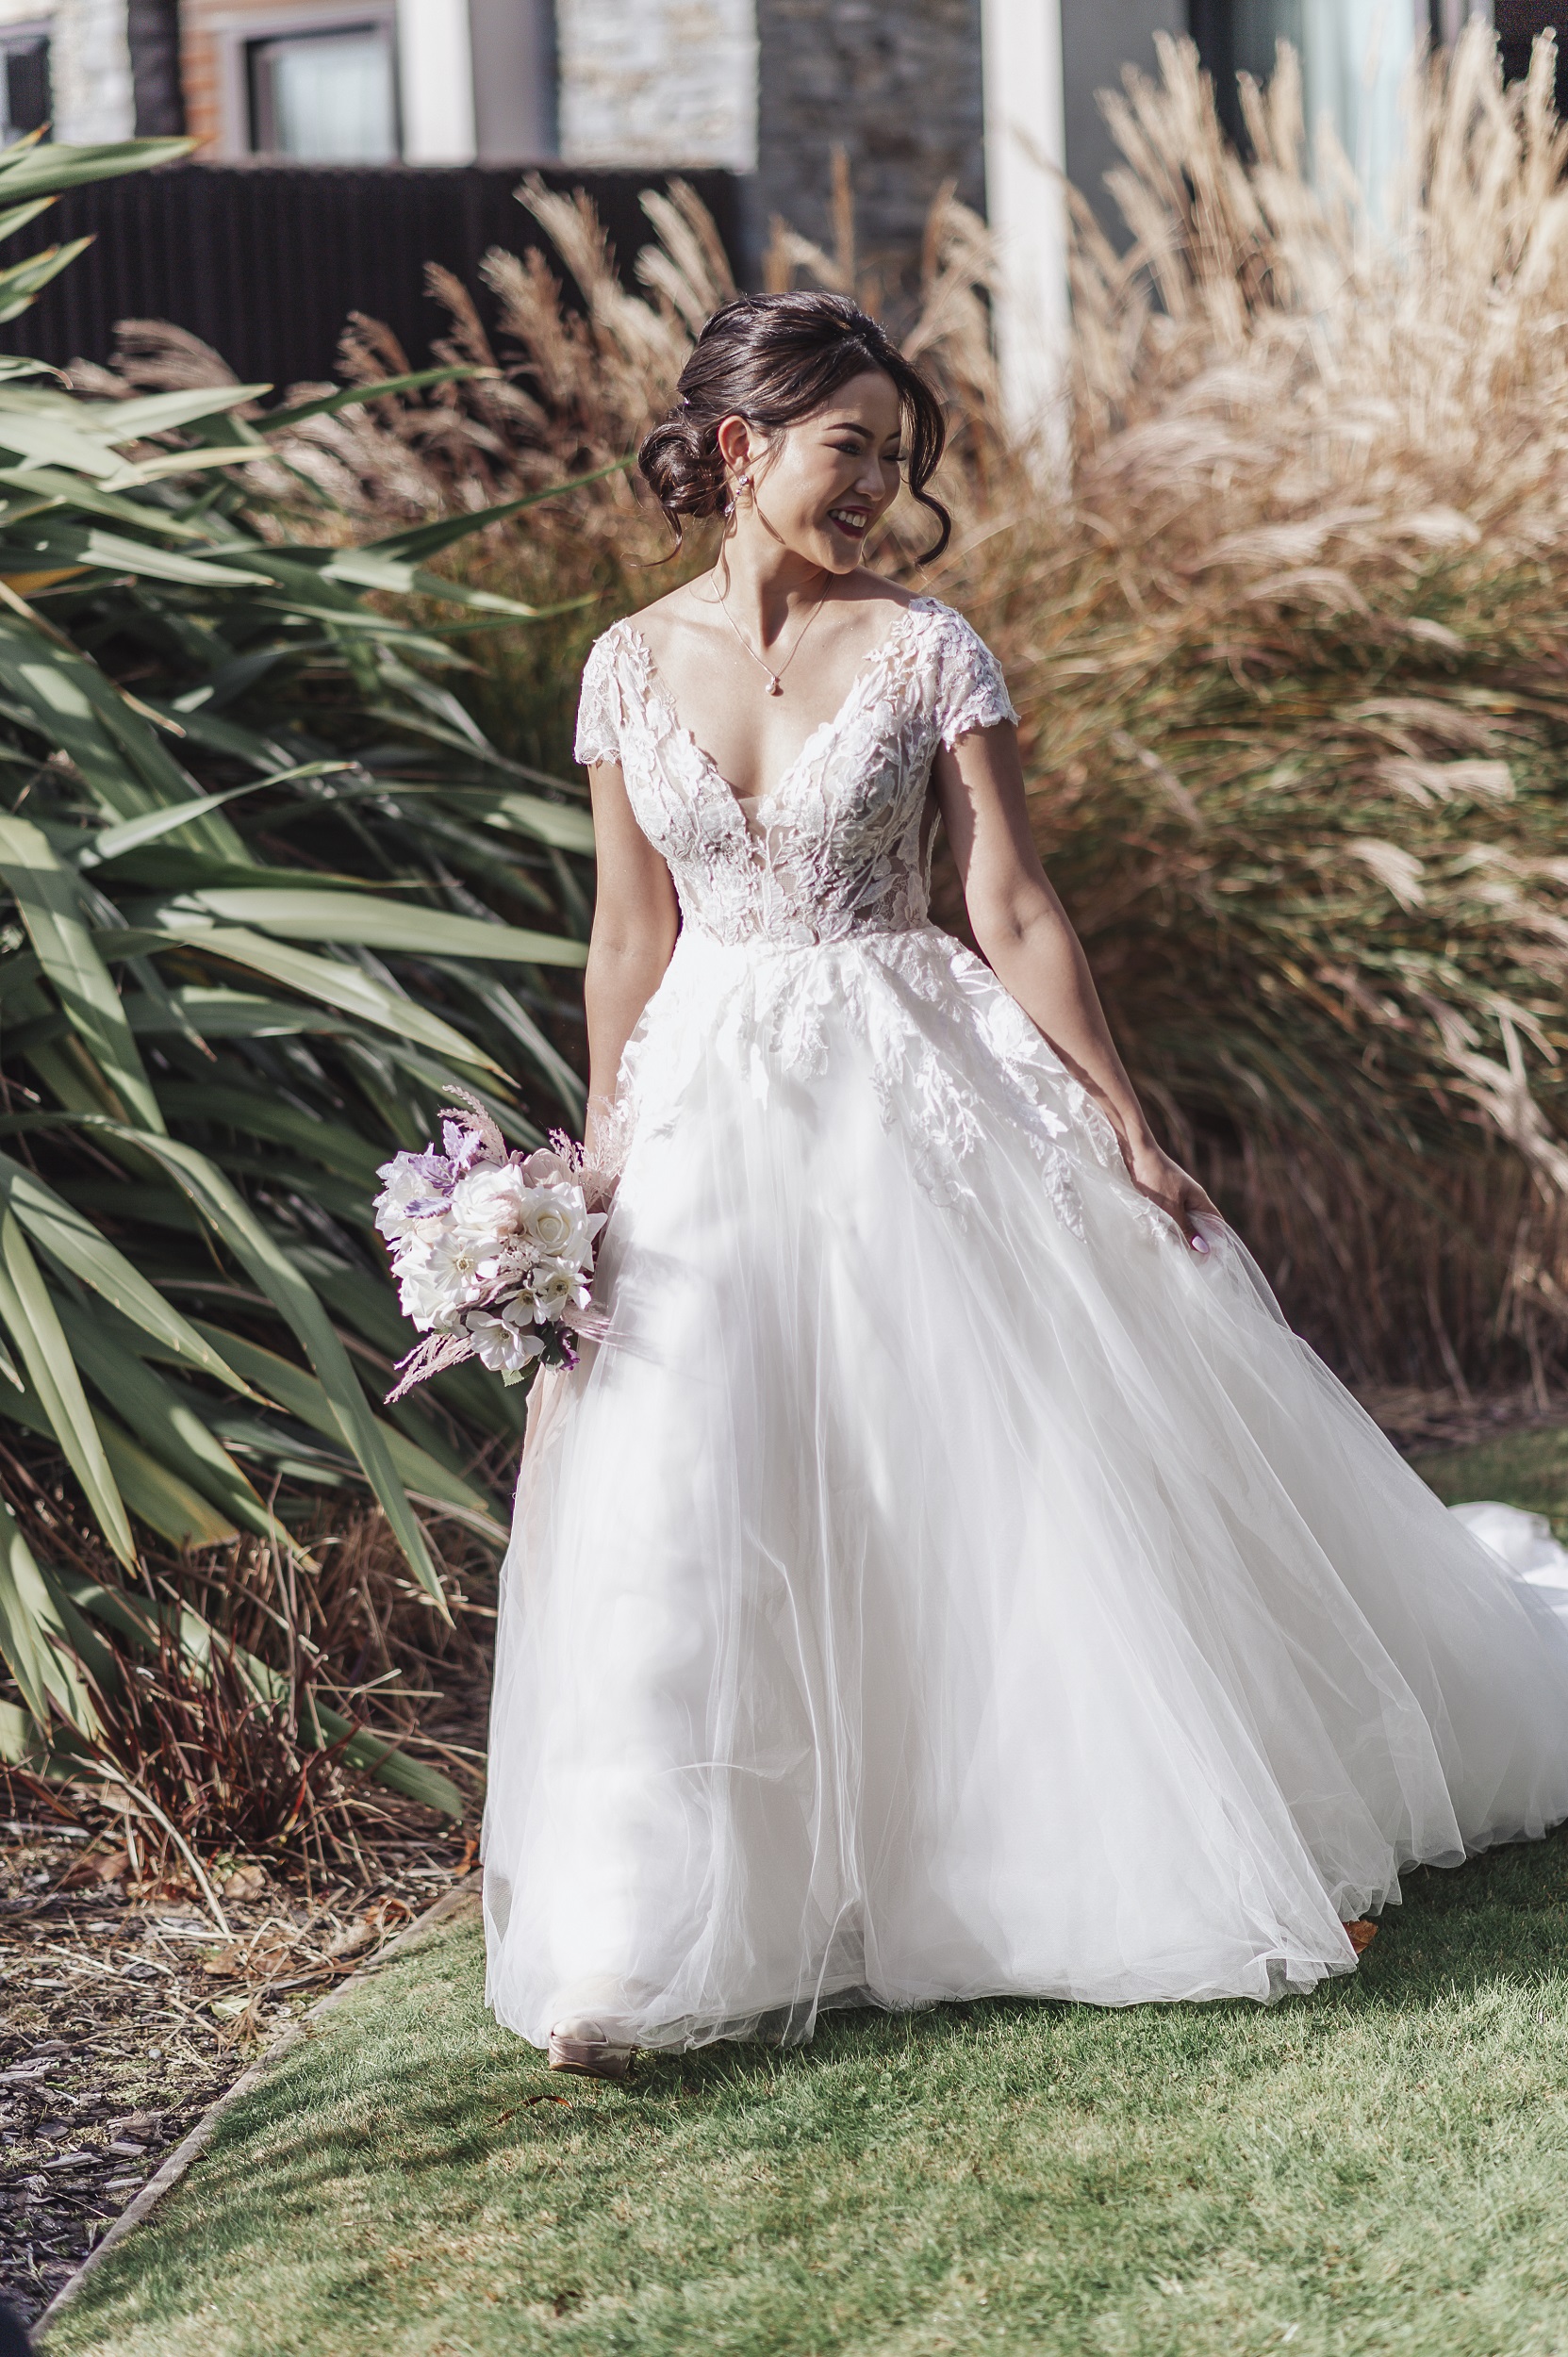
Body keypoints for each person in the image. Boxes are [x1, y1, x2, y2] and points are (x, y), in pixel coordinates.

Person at [481, 290, 1568, 2079]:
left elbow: (1011, 906)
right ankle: (634, 1935)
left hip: (913, 1081)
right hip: (703, 1113)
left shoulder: (928, 649)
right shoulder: (620, 665)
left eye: (899, 462)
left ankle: (1024, 1866)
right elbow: (624, 934)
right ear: (742, 447)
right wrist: (591, 1164)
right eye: (851, 451)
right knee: (688, 1503)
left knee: (972, 1473)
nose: (879, 491)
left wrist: (1128, 1123)